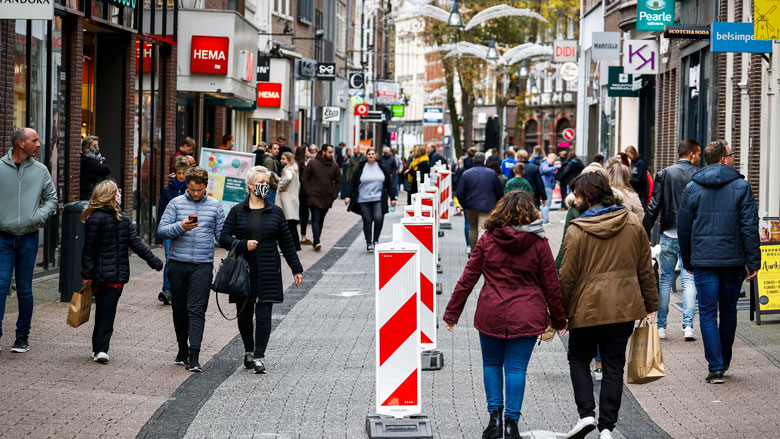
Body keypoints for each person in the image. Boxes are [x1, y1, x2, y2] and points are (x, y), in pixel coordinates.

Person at [444, 190, 567, 439]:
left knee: (491, 364)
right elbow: (551, 284)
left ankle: (494, 421)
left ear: (500, 211)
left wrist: (452, 313)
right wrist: (558, 319)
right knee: (516, 369)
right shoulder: (539, 243)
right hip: (528, 313)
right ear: (531, 214)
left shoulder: (488, 239)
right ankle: (511, 425)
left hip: (492, 311)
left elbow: (468, 278)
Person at [559, 172, 657, 439]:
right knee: (614, 365)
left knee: (578, 358)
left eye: (577, 195)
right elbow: (645, 270)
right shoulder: (633, 224)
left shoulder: (577, 230)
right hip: (623, 307)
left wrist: (559, 311)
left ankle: (586, 414)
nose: (575, 200)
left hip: (586, 308)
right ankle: (606, 429)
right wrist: (651, 303)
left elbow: (567, 276)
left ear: (586, 196)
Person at [678, 140, 760, 384]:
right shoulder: (741, 187)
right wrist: (753, 261)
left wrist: (687, 259)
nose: (734, 157)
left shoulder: (693, 187)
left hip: (703, 260)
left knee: (707, 312)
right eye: (731, 154)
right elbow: (749, 226)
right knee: (729, 310)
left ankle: (715, 367)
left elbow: (684, 228)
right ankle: (724, 360)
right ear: (723, 159)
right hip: (733, 261)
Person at [219, 166, 303, 374]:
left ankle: (259, 356)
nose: (265, 186)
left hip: (268, 269)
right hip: (243, 271)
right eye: (261, 183)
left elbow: (286, 242)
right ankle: (248, 349)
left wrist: (296, 268)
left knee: (264, 314)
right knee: (244, 315)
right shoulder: (238, 211)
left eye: (267, 183)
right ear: (250, 185)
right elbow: (223, 237)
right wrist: (242, 244)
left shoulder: (275, 211)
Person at [81, 180, 163, 363]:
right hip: (114, 276)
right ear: (110, 196)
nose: (119, 195)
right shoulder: (119, 218)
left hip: (101, 275)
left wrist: (87, 274)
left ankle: (99, 348)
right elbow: (136, 245)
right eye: (116, 192)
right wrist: (155, 262)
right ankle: (100, 349)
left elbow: (89, 251)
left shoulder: (99, 218)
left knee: (104, 310)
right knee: (106, 311)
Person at [157, 166, 226, 372]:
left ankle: (194, 355)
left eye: (200, 190)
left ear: (206, 187)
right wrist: (181, 227)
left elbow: (221, 235)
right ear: (187, 185)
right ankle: (182, 349)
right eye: (193, 189)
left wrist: (235, 240)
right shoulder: (176, 203)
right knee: (179, 309)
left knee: (197, 310)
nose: (196, 194)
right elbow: (161, 230)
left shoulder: (215, 206)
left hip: (203, 265)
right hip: (178, 264)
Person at [0, 128, 58, 353]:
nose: (39, 143)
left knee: (24, 288)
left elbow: (52, 199)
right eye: (35, 140)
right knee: (1, 285)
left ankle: (22, 337)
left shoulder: (40, 170)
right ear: (21, 144)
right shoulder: (1, 167)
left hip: (29, 238)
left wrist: (38, 218)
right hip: (3, 238)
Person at [643, 139, 701, 340]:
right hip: (692, 235)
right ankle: (688, 327)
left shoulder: (665, 173)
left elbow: (654, 205)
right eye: (698, 154)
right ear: (692, 154)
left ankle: (661, 327)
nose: (699, 158)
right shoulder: (699, 175)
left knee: (666, 280)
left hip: (668, 233)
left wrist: (643, 231)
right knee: (689, 279)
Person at [345, 148, 397, 252]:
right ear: (366, 155)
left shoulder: (382, 167)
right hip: (363, 199)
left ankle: (376, 240)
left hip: (378, 198)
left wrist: (392, 197)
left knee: (378, 218)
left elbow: (389, 183)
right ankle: (368, 242)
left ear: (376, 155)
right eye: (369, 154)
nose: (371, 156)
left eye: (373, 154)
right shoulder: (361, 167)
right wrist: (348, 196)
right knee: (367, 220)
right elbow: (353, 182)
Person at [155, 156, 191, 305]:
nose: (181, 176)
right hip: (170, 230)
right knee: (170, 259)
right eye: (179, 173)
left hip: (187, 229)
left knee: (185, 259)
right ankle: (167, 290)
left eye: (184, 173)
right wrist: (159, 237)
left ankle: (182, 290)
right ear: (174, 173)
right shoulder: (167, 190)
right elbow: (161, 213)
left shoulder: (191, 189)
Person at [456, 152, 504, 249]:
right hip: (487, 205)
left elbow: (460, 192)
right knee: (483, 229)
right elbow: (499, 191)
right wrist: (496, 204)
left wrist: (464, 204)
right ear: (484, 161)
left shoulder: (466, 174)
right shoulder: (491, 173)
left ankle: (473, 251)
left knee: (472, 229)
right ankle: (482, 252)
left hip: (470, 206)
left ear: (473, 161)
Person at [301, 144, 342, 251]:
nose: (331, 154)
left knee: (321, 219)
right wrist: (309, 191)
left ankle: (316, 239)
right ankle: (317, 240)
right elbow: (304, 178)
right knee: (316, 218)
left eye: (332, 152)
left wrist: (334, 194)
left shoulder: (334, 165)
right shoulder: (313, 163)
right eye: (329, 152)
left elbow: (338, 181)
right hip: (313, 196)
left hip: (327, 197)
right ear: (323, 152)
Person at [276, 152, 301, 251]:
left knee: (288, 226)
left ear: (289, 161)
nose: (281, 160)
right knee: (291, 226)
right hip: (292, 200)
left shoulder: (288, 170)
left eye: (283, 159)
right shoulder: (295, 169)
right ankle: (295, 246)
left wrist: (280, 186)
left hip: (287, 201)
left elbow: (288, 178)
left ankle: (290, 247)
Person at [80, 135, 111, 200]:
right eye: (94, 146)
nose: (97, 147)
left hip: (95, 193)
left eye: (97, 145)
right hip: (89, 194)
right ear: (87, 148)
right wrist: (103, 160)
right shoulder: (87, 160)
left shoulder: (96, 159)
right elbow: (106, 170)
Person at [295, 146, 313, 246]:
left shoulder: (305, 162)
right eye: (306, 150)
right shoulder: (298, 164)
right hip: (301, 192)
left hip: (303, 192)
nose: (308, 152)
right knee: (302, 214)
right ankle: (301, 236)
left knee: (304, 214)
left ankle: (303, 236)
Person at [539, 153, 561, 224]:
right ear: (550, 158)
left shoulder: (546, 164)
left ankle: (544, 219)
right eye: (553, 160)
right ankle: (545, 220)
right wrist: (556, 167)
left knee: (545, 203)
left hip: (547, 184)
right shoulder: (546, 164)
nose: (554, 162)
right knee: (547, 202)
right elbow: (545, 170)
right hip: (547, 185)